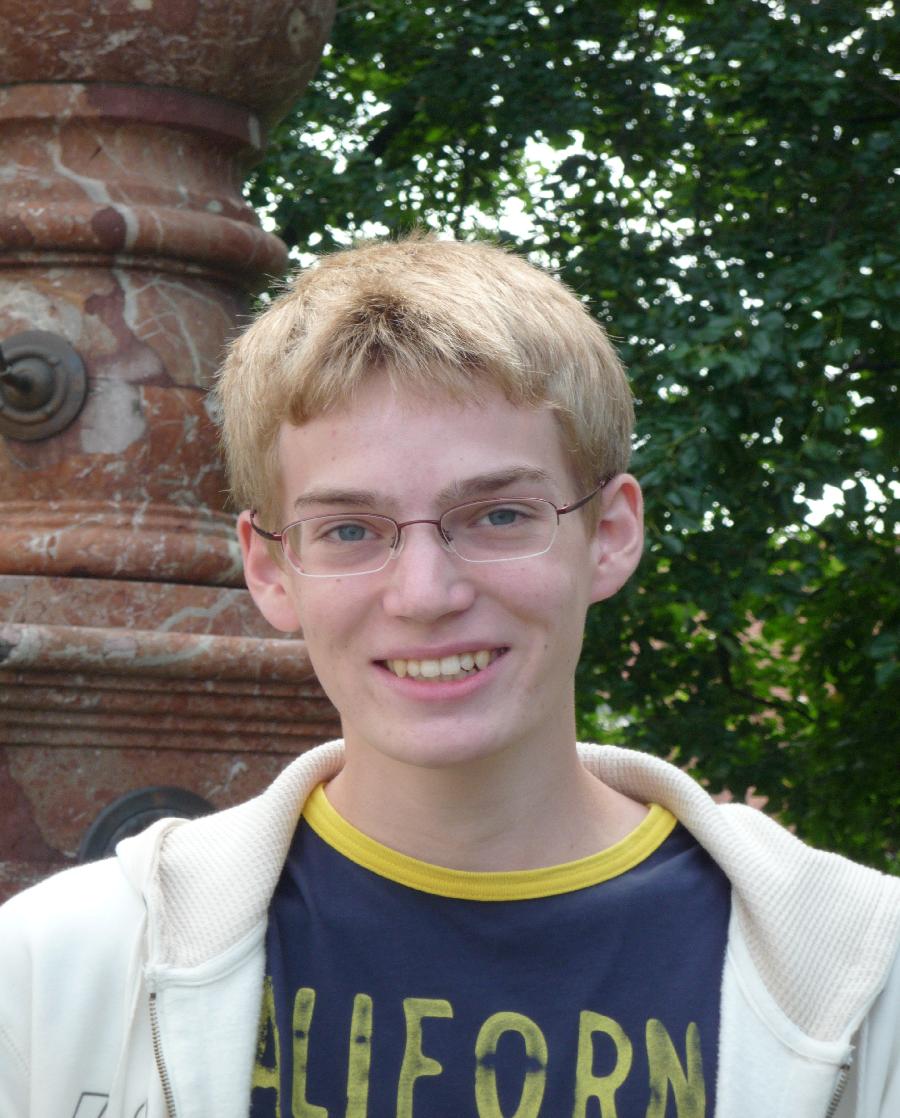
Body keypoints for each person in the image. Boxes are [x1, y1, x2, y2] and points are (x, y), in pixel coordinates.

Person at [0, 235, 897, 1118]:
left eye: (499, 515)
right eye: (349, 530)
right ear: (270, 569)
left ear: (611, 535)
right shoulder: (62, 972)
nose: (425, 595)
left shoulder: (867, 981)